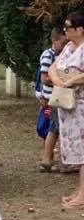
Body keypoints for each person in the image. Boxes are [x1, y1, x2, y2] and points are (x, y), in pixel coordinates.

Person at [49, 10, 84, 209]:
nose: (65, 30)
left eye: (68, 27)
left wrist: (71, 80)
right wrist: (57, 81)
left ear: (79, 29)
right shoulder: (69, 47)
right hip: (67, 104)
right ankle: (79, 191)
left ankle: (83, 196)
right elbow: (54, 67)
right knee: (77, 151)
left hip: (81, 105)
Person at [37, 28, 68, 172]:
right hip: (53, 98)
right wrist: (63, 79)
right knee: (54, 129)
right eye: (63, 43)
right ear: (54, 41)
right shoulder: (48, 55)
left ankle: (48, 158)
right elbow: (45, 79)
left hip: (57, 96)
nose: (64, 46)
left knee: (55, 128)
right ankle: (46, 159)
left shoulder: (59, 54)